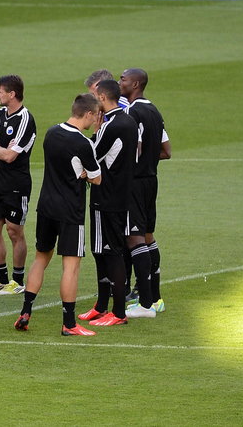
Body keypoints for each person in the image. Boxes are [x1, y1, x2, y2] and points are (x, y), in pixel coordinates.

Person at [14, 94, 103, 337]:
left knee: (41, 258)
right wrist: (84, 174)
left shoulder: (52, 133)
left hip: (46, 206)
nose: (96, 120)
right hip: (69, 211)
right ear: (87, 114)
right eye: (95, 115)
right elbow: (96, 178)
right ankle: (69, 324)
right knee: (71, 267)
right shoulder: (83, 144)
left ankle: (25, 311)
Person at [79, 80, 136, 326]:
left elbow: (91, 154)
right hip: (120, 195)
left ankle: (118, 312)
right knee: (102, 250)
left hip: (107, 197)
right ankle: (102, 305)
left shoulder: (112, 125)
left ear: (102, 97)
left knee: (110, 252)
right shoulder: (128, 121)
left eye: (94, 97)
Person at [0, 75, 37, 296]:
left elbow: (12, 157)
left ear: (12, 94)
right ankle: (1, 279)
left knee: (14, 231)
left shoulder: (25, 119)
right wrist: (0, 150)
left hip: (17, 183)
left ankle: (18, 281)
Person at [121, 68, 171, 315]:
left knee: (134, 238)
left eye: (124, 79)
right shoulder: (154, 110)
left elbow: (134, 146)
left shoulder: (132, 111)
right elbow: (166, 151)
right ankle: (156, 299)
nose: (120, 82)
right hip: (151, 180)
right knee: (148, 237)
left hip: (134, 183)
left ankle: (145, 304)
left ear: (136, 83)